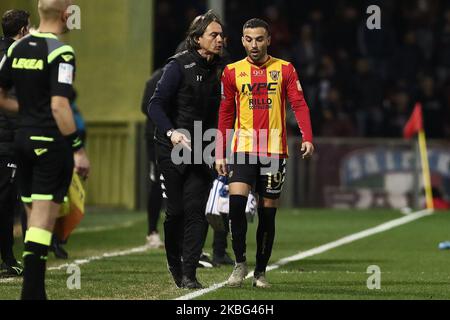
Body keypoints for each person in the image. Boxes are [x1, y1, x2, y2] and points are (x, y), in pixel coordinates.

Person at [0, 0, 90, 300]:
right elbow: (59, 105)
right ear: (66, 15)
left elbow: (1, 96)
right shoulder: (62, 51)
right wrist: (78, 149)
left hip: (21, 141)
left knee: (31, 215)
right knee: (43, 221)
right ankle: (32, 293)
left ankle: (35, 292)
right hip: (49, 144)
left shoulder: (16, 48)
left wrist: (26, 110)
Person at [216, 18, 315, 288]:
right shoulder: (232, 72)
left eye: (260, 39)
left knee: (267, 213)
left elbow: (299, 104)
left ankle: (260, 272)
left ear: (269, 40)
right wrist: (220, 152)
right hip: (243, 148)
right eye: (249, 39)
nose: (254, 44)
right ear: (242, 41)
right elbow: (225, 113)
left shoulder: (284, 69)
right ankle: (239, 264)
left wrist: (307, 137)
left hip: (273, 149)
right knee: (235, 204)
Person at [148, 10, 224, 289]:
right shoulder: (177, 66)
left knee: (197, 211)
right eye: (213, 35)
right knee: (176, 212)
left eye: (221, 35)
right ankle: (174, 263)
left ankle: (189, 273)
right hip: (172, 148)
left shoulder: (222, 68)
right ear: (197, 39)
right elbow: (154, 105)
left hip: (204, 147)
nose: (219, 40)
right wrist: (171, 133)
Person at [0, 9, 30, 278]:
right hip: (9, 138)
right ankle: (7, 259)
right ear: (22, 30)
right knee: (8, 202)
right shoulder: (17, 56)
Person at [141, 68, 165, 249]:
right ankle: (152, 231)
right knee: (156, 182)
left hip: (181, 135)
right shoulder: (158, 78)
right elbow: (146, 107)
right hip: (156, 137)